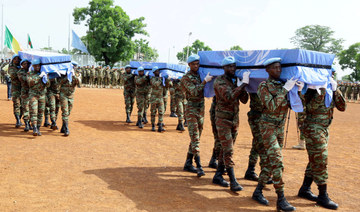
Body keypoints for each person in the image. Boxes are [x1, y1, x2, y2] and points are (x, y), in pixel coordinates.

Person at [252, 57, 296, 211]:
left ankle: (258, 191)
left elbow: (291, 105)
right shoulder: (263, 86)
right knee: (277, 161)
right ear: (267, 70)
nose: (278, 70)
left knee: (271, 164)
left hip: (279, 127)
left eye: (279, 68)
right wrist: (285, 90)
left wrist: (297, 91)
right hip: (267, 127)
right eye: (275, 68)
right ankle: (281, 198)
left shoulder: (283, 85)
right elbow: (271, 105)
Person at [297, 70, 346, 210]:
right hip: (313, 128)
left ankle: (305, 189)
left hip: (324, 128)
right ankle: (323, 196)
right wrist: (322, 90)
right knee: (320, 159)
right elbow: (309, 109)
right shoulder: (311, 89)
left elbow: (342, 107)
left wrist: (335, 90)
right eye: (328, 75)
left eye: (332, 75)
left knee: (315, 158)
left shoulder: (330, 88)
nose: (331, 77)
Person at [213, 56, 249, 191]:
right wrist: (243, 84)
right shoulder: (219, 82)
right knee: (228, 150)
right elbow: (229, 97)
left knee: (224, 149)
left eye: (234, 66)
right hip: (223, 120)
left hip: (234, 120)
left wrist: (242, 87)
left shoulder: (234, 82)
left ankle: (218, 175)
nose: (232, 69)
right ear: (224, 68)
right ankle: (233, 181)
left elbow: (244, 100)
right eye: (229, 66)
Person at [181, 54, 213, 177]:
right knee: (195, 137)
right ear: (189, 65)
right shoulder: (186, 78)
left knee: (197, 136)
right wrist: (205, 81)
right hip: (191, 110)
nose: (196, 66)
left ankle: (188, 163)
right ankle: (198, 165)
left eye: (198, 64)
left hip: (200, 109)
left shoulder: (200, 75)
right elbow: (194, 92)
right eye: (194, 64)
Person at [28, 59, 50, 136]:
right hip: (33, 95)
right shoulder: (30, 73)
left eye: (38, 66)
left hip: (42, 95)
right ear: (33, 66)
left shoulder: (44, 73)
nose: (37, 67)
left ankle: (38, 128)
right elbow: (30, 83)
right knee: (34, 112)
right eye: (35, 66)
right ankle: (34, 128)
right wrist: (39, 77)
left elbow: (48, 85)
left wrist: (45, 78)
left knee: (40, 113)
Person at [59, 63, 81, 136]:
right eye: (72, 67)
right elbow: (59, 82)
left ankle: (63, 126)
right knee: (65, 111)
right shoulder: (63, 73)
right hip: (63, 95)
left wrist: (75, 77)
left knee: (68, 111)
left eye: (74, 67)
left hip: (71, 95)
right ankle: (66, 129)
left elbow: (79, 85)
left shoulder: (77, 74)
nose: (73, 68)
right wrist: (67, 76)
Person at [17, 59, 32, 132]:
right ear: (22, 65)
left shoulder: (32, 70)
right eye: (24, 64)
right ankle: (26, 124)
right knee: (25, 108)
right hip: (25, 92)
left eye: (27, 63)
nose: (26, 65)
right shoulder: (20, 72)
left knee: (32, 108)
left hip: (32, 92)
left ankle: (29, 123)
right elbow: (25, 79)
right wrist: (30, 73)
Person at [149, 66, 165, 132]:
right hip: (154, 98)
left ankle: (160, 126)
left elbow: (167, 85)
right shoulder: (152, 79)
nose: (158, 72)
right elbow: (155, 84)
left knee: (161, 112)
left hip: (160, 98)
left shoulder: (162, 78)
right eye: (156, 71)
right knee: (153, 112)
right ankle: (153, 125)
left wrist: (166, 79)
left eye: (158, 71)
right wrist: (160, 79)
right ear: (154, 72)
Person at [8, 55, 22, 128]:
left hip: (23, 89)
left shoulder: (22, 67)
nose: (17, 60)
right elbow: (13, 75)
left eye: (18, 59)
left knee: (23, 106)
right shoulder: (11, 68)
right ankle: (18, 121)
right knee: (17, 104)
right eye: (15, 59)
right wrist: (21, 70)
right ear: (13, 60)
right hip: (15, 89)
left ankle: (19, 118)